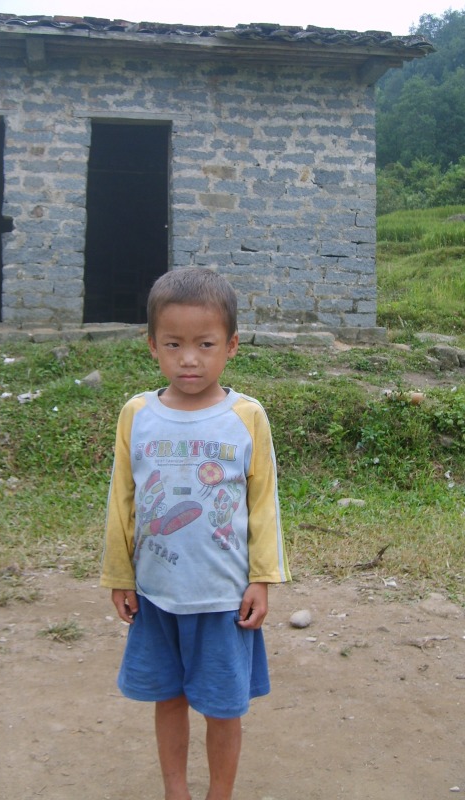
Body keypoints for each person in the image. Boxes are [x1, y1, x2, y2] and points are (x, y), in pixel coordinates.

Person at [100, 267, 289, 800]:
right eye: (173, 344)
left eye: (205, 344)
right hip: (157, 594)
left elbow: (263, 504)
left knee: (223, 708)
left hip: (223, 597)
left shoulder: (246, 416)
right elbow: (122, 500)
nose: (189, 358)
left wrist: (262, 579)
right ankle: (176, 791)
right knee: (169, 698)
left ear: (231, 346)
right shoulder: (138, 414)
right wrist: (120, 575)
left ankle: (219, 794)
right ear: (152, 345)